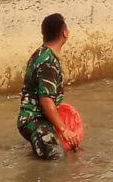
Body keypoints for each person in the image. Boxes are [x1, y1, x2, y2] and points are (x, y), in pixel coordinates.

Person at [17, 13, 79, 160]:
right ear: (65, 33)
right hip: (34, 120)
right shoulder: (48, 62)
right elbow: (46, 100)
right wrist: (64, 130)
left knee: (73, 152)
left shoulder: (40, 53)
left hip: (38, 119)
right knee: (56, 156)